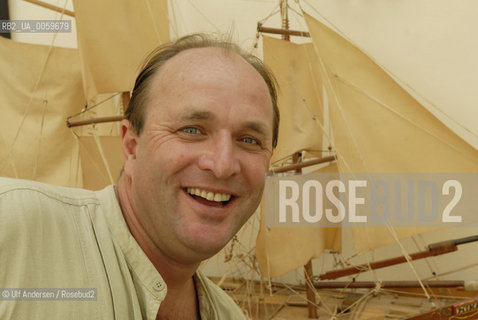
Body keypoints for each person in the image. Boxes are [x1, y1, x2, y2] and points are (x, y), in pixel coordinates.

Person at [0, 33, 279, 319]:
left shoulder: (229, 315)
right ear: (131, 147)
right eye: (192, 130)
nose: (222, 165)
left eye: (249, 140)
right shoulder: (13, 230)